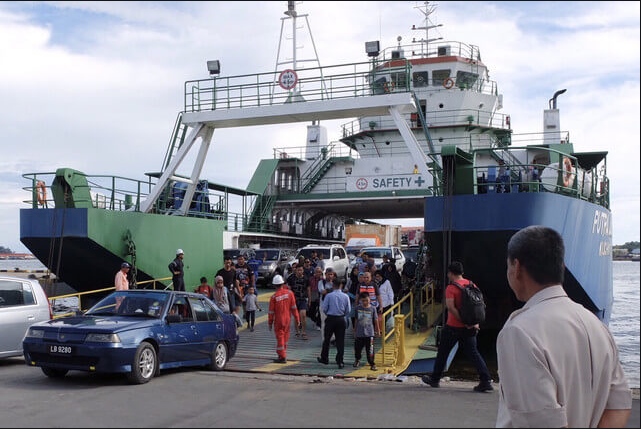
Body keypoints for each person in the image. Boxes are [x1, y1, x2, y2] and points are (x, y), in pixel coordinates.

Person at [496, 226, 631, 428]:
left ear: (516, 268)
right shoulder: (596, 325)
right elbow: (618, 406)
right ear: (562, 266)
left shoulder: (519, 331)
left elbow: (541, 423)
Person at [422, 262, 492, 392]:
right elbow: (479, 306)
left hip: (453, 326)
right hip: (470, 328)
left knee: (443, 352)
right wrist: (473, 323)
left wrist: (463, 321)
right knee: (474, 353)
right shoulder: (472, 285)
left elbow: (451, 308)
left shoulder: (451, 288)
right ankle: (486, 380)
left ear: (451, 273)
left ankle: (435, 379)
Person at [317, 277, 351, 368]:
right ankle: (340, 361)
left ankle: (324, 358)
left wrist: (329, 313)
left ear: (333, 285)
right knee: (340, 341)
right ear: (341, 285)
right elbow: (348, 310)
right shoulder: (345, 296)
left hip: (331, 318)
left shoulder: (329, 296)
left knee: (327, 339)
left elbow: (324, 309)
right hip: (341, 319)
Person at [268, 275, 300, 364]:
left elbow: (271, 312)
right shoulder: (290, 293)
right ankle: (282, 354)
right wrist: (297, 319)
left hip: (279, 320)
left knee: (280, 338)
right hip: (287, 319)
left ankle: (282, 356)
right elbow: (294, 308)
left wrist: (270, 323)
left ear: (274, 285)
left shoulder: (274, 297)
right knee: (285, 337)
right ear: (283, 283)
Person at [353, 292, 379, 371]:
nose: (365, 302)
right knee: (357, 349)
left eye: (366, 300)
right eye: (363, 300)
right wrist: (355, 329)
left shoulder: (373, 308)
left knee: (370, 350)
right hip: (360, 333)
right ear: (360, 300)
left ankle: (372, 363)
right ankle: (357, 359)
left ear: (369, 299)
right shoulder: (357, 308)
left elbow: (376, 320)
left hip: (370, 333)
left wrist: (378, 330)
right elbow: (356, 319)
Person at [287, 265, 309, 339]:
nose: (300, 272)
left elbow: (308, 289)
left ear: (303, 271)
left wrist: (309, 300)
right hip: (294, 300)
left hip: (303, 299)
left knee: (303, 315)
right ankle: (297, 332)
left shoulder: (306, 278)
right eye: (298, 270)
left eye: (301, 270)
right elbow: (289, 290)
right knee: (296, 317)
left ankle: (304, 332)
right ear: (295, 270)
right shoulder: (291, 278)